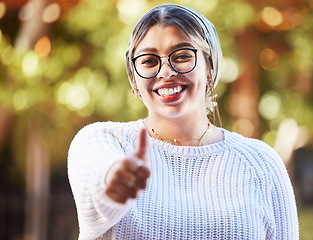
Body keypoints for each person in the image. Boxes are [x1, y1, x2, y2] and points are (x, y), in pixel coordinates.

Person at [67, 4, 299, 240]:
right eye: (148, 60)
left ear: (209, 67)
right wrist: (114, 181)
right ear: (134, 80)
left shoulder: (260, 163)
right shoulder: (106, 142)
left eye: (182, 56)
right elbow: (99, 198)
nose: (166, 71)